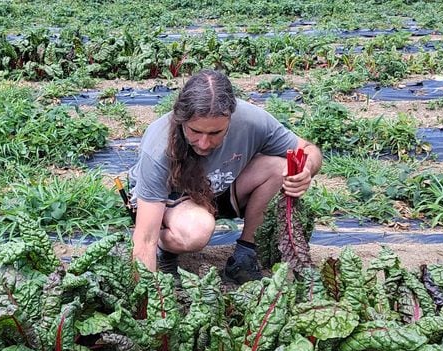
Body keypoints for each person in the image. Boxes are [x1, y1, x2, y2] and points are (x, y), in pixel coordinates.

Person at [128, 69, 323, 284]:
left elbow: (307, 149)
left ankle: (246, 255)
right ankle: (164, 248)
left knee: (279, 167)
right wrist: (145, 303)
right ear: (181, 119)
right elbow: (144, 238)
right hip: (170, 200)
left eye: (214, 133)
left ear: (230, 118)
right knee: (197, 230)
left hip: (218, 188)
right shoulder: (159, 147)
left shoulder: (251, 121)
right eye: (195, 131)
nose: (204, 143)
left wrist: (306, 169)